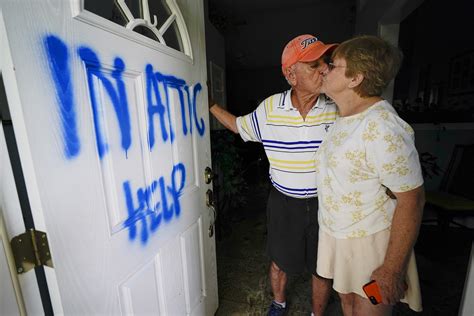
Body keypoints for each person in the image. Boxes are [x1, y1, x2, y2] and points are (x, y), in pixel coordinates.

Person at [208, 34, 337, 315]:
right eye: (315, 65)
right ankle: (278, 303)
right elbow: (237, 126)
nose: (325, 69)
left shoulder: (337, 106)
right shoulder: (269, 109)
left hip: (326, 203)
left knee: (323, 265)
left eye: (325, 62)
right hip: (283, 203)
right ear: (292, 74)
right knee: (279, 260)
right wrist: (210, 105)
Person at [315, 35, 425, 315]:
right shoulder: (345, 118)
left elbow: (412, 200)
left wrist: (390, 269)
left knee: (367, 310)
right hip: (339, 235)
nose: (325, 69)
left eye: (334, 65)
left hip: (371, 242)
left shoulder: (382, 127)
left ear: (355, 79)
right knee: (348, 304)